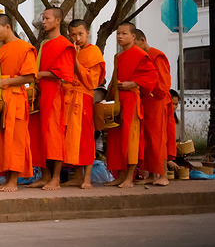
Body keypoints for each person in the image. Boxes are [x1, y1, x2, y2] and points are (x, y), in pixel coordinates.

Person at [0, 14, 37, 193]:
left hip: (15, 97)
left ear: (8, 27)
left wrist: (5, 82)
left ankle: (14, 180)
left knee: (15, 139)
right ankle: (6, 179)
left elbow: (30, 77)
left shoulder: (25, 48)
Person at [28, 7, 75, 190]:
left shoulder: (64, 44)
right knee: (40, 135)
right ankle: (44, 175)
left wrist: (38, 74)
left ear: (57, 21)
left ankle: (56, 178)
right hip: (41, 92)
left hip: (54, 92)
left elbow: (63, 73)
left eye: (47, 18)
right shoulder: (45, 44)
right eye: (43, 19)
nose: (44, 22)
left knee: (53, 135)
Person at [105, 23, 158, 188]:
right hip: (118, 99)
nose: (120, 36)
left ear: (133, 36)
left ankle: (129, 177)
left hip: (131, 100)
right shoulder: (117, 56)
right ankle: (120, 176)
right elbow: (114, 77)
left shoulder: (140, 55)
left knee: (130, 138)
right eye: (118, 33)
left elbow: (151, 77)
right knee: (116, 139)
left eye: (124, 34)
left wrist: (132, 83)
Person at [64, 20, 105, 189]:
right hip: (69, 100)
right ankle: (77, 176)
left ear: (88, 32)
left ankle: (87, 178)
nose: (77, 38)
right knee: (72, 140)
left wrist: (75, 61)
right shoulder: (70, 51)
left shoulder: (93, 51)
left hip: (84, 99)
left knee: (86, 139)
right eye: (73, 34)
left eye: (80, 34)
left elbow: (92, 80)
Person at [133, 30, 171, 186]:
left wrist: (142, 84)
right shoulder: (141, 58)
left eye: (136, 46)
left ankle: (164, 175)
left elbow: (163, 85)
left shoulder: (156, 56)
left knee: (158, 139)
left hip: (157, 101)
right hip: (146, 101)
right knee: (147, 139)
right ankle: (151, 174)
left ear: (143, 40)